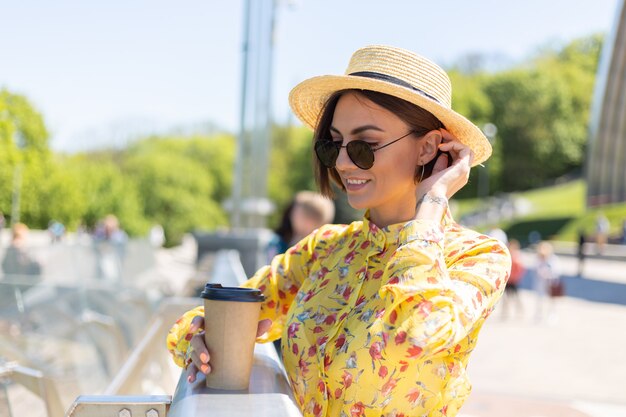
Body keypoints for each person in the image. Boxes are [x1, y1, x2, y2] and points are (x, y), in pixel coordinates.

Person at [166, 45, 511, 416]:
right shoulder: (323, 250)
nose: (344, 162)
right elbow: (202, 320)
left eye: (366, 145)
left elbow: (419, 332)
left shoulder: (477, 257)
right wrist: (199, 339)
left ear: (427, 147)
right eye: (334, 144)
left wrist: (433, 201)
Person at [267, 191, 336, 261]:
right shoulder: (329, 249)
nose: (291, 216)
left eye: (295, 213)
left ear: (308, 221)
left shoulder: (279, 245)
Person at [534, 240, 561, 324]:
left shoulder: (553, 259)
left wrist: (548, 274)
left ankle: (552, 314)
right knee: (540, 299)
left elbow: (557, 271)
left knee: (552, 300)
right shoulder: (538, 259)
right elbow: (536, 269)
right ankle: (539, 314)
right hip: (541, 282)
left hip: (551, 282)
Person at [500, 239, 525, 319]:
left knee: (516, 297)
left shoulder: (516, 256)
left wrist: (517, 277)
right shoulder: (508, 255)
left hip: (513, 280)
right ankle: (505, 312)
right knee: (505, 298)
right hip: (508, 280)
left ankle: (520, 311)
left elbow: (520, 268)